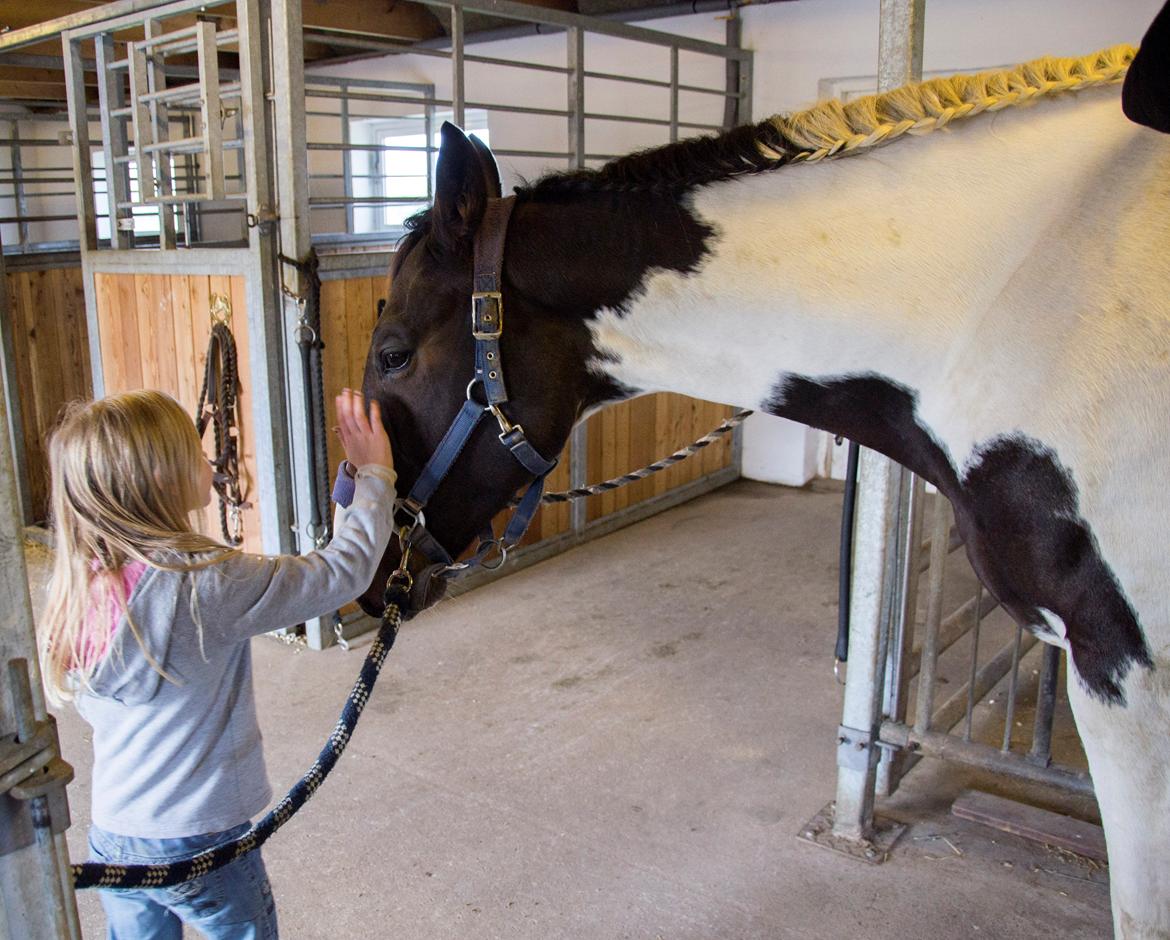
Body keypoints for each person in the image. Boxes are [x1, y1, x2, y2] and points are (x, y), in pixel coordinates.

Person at [39, 387, 395, 940]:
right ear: (159, 478)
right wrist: (376, 476)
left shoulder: (84, 582)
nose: (211, 461)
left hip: (115, 835)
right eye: (194, 453)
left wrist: (347, 483)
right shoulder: (202, 582)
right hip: (198, 841)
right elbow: (341, 573)